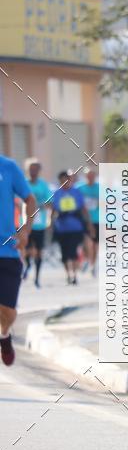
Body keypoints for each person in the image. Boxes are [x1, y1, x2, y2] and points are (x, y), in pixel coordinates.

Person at [0, 155, 35, 366]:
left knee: (8, 310)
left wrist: (25, 230)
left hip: (8, 250)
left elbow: (30, 200)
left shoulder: (8, 167)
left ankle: (4, 334)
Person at [51, 170, 89, 285]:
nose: (65, 183)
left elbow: (83, 208)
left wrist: (88, 223)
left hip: (75, 227)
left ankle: (75, 274)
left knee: (73, 252)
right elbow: (53, 210)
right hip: (61, 227)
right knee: (65, 253)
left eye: (67, 180)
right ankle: (68, 274)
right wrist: (50, 223)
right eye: (62, 181)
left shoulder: (76, 192)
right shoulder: (57, 193)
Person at [22, 158, 52, 288]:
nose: (33, 171)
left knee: (39, 252)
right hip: (25, 222)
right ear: (27, 170)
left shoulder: (43, 185)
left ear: (39, 170)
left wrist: (44, 205)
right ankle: (28, 264)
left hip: (40, 223)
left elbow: (50, 201)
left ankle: (37, 278)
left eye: (35, 169)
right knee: (27, 249)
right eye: (31, 169)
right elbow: (17, 200)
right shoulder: (23, 183)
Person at [76, 167, 100, 275]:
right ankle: (86, 259)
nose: (90, 178)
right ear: (85, 177)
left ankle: (93, 264)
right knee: (87, 243)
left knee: (95, 244)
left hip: (97, 219)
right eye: (88, 176)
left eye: (92, 176)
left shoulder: (100, 188)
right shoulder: (79, 188)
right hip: (84, 219)